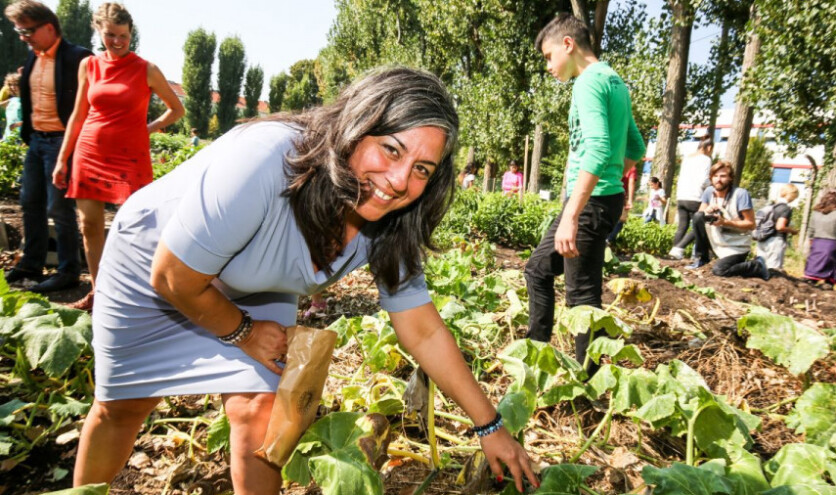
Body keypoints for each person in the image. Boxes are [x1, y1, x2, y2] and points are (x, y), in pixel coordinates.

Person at [72, 67, 538, 495]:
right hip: (159, 262)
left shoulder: (393, 224)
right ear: (355, 127)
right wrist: (243, 331)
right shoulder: (267, 159)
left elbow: (423, 328)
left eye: (422, 169)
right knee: (125, 407)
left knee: (262, 410)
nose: (399, 181)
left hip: (256, 283)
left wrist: (489, 426)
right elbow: (174, 276)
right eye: (391, 148)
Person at [527, 13, 645, 366]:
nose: (548, 67)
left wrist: (573, 215)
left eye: (549, 57)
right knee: (540, 270)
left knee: (580, 296)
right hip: (601, 199)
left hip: (589, 204)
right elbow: (635, 148)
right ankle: (537, 355)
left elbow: (596, 147)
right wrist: (611, 178)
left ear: (569, 44)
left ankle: (587, 385)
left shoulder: (588, 82)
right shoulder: (615, 82)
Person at [52, 3, 184, 311]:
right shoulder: (89, 65)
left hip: (130, 158)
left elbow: (177, 110)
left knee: (138, 227)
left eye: (123, 35)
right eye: (111, 35)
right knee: (89, 225)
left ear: (131, 34)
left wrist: (148, 128)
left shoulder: (146, 69)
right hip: (89, 151)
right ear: (99, 30)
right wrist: (63, 158)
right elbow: (78, 114)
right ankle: (99, 293)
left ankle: (139, 293)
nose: (118, 42)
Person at [3, 0, 92, 292]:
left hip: (61, 142)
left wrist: (72, 150)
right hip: (37, 141)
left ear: (49, 27)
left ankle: (68, 271)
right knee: (30, 203)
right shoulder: (33, 58)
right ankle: (31, 263)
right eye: (20, 32)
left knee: (60, 208)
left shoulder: (78, 58)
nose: (23, 37)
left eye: (28, 31)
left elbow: (88, 106)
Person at [689, 160, 769, 280]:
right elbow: (699, 216)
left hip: (736, 243)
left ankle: (756, 266)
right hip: (716, 239)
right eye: (715, 176)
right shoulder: (709, 192)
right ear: (711, 178)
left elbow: (751, 224)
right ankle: (702, 258)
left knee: (719, 270)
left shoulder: (740, 194)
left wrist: (725, 222)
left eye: (723, 176)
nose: (718, 179)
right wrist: (708, 211)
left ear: (730, 178)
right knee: (698, 216)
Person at [669, 135, 713, 259]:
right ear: (709, 147)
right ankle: (680, 249)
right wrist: (712, 187)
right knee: (700, 225)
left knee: (682, 226)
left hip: (682, 196)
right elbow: (704, 180)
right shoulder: (706, 159)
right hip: (695, 197)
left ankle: (674, 253)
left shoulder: (687, 158)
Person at [803, 190, 836, 291]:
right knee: (832, 271)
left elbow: (811, 230)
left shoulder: (816, 212)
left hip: (817, 244)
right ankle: (828, 286)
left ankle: (809, 286)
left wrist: (812, 241)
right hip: (832, 245)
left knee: (813, 270)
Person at [755, 184, 799, 271]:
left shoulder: (771, 206)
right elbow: (780, 227)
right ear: (792, 195)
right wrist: (792, 231)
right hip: (775, 241)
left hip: (763, 238)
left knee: (760, 268)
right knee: (773, 270)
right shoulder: (785, 208)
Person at [607, 160, 637, 244]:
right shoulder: (632, 168)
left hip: (607, 193)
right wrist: (630, 200)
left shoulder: (615, 163)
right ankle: (608, 239)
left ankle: (604, 239)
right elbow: (631, 183)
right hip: (621, 196)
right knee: (621, 220)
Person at [1, 73, 23, 140]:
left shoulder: (28, 100)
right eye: (10, 84)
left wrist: (17, 124)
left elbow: (34, 120)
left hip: (21, 138)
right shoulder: (11, 100)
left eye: (16, 84)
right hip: (8, 136)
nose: (13, 87)